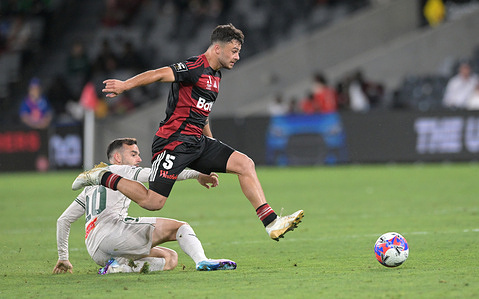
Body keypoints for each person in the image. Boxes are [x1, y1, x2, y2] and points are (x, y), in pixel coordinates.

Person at [73, 24, 303, 241]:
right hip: (173, 142)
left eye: (238, 52)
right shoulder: (195, 67)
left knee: (245, 164)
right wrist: (125, 85)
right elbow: (159, 73)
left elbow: (202, 114)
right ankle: (103, 175)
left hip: (198, 142)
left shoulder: (215, 76)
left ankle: (271, 223)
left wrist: (211, 150)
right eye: (234, 51)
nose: (237, 57)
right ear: (217, 48)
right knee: (154, 202)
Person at [54, 138, 236, 275]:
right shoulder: (119, 169)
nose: (139, 158)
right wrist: (197, 174)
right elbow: (158, 175)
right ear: (117, 158)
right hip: (113, 234)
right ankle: (202, 261)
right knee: (180, 227)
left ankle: (119, 267)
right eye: (133, 154)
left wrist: (63, 258)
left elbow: (63, 220)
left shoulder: (90, 188)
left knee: (169, 258)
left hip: (96, 250)